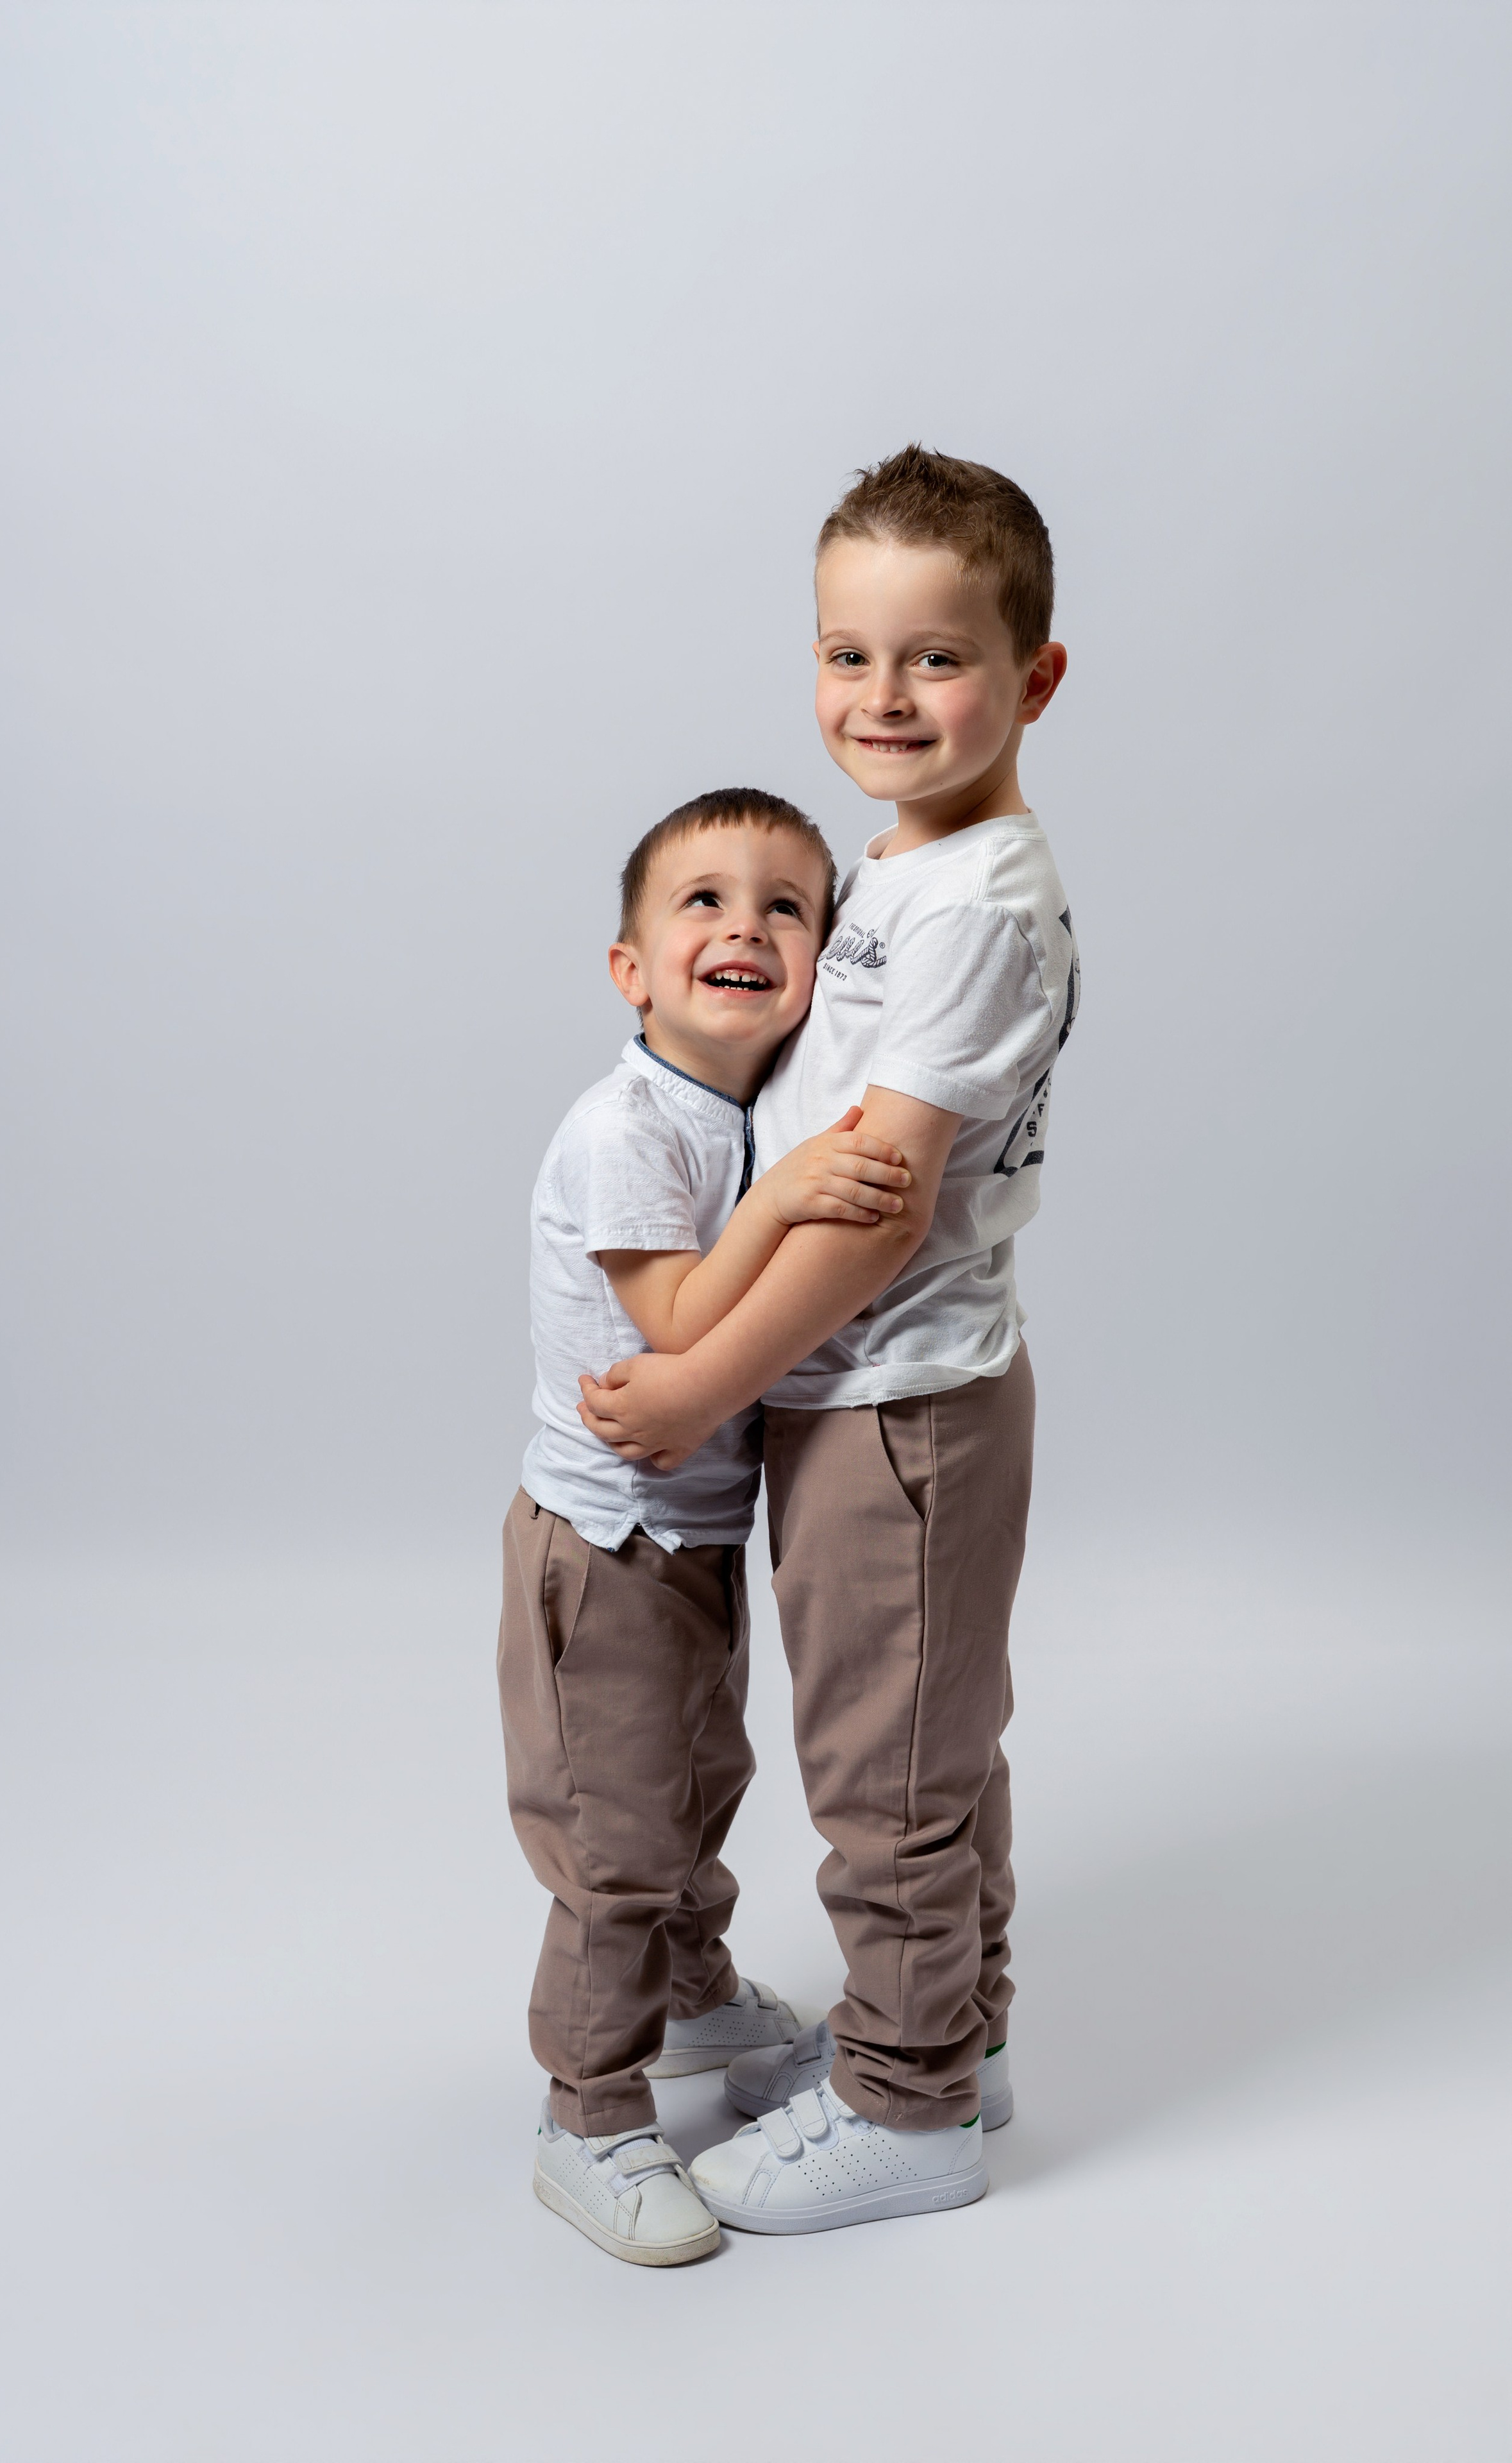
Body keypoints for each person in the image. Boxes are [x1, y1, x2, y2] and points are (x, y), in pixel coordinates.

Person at [578, 446, 1077, 2235]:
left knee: (894, 1777)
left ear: (1032, 679)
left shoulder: (981, 907)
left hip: (904, 1405)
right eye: (845, 655)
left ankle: (913, 2110)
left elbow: (875, 1208)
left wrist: (706, 1377)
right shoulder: (902, 869)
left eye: (933, 659)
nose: (881, 698)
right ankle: (955, 2033)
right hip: (849, 1396)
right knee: (919, 1743)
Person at [500, 786, 914, 2267]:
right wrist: (791, 1194)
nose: (743, 923)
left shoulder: (733, 1115)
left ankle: (686, 2001)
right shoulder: (632, 1126)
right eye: (701, 901)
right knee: (612, 1839)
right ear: (630, 969)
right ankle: (589, 2117)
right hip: (605, 1544)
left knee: (691, 1783)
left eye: (784, 906)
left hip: (689, 1538)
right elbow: (675, 1319)